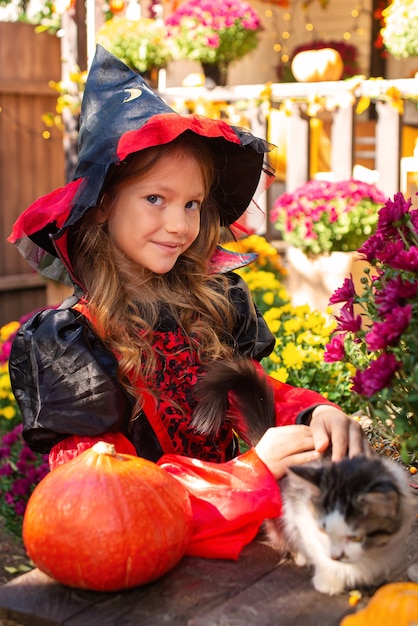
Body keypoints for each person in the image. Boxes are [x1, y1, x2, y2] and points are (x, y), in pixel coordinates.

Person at [8, 46, 370, 560]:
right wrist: (248, 473)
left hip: (231, 554)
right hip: (145, 570)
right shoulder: (73, 345)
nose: (180, 225)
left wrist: (312, 413)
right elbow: (101, 502)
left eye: (192, 204)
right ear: (103, 205)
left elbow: (243, 391)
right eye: (156, 198)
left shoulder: (208, 304)